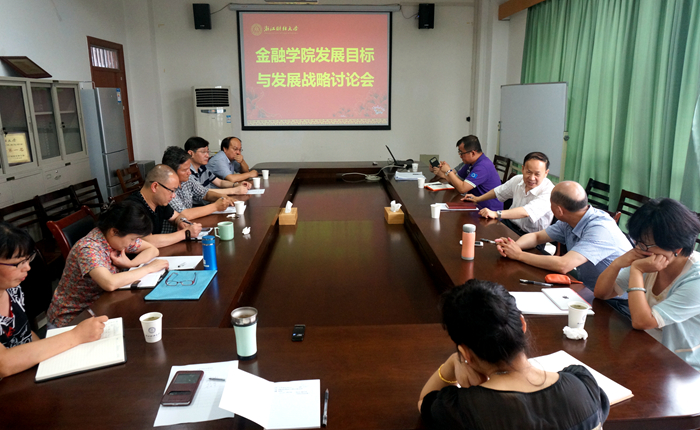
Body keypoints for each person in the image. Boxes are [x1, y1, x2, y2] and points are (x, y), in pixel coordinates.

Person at [419, 279, 609, 429]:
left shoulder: (462, 410)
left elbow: (423, 402)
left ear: (466, 354)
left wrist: (453, 363)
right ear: (522, 324)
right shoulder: (583, 384)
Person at [594, 198, 700, 371]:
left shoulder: (696, 279)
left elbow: (642, 321)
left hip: (681, 367)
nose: (638, 249)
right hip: (646, 348)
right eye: (637, 242)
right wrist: (617, 264)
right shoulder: (650, 257)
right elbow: (602, 293)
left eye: (645, 245)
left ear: (676, 248)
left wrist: (636, 270)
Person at [494, 181, 632, 309]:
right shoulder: (570, 219)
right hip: (590, 289)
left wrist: (519, 255)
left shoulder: (600, 228)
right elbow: (537, 237)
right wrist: (513, 246)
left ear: (559, 210)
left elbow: (564, 265)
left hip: (616, 300)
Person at [0, 222, 108, 377]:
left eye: (27, 259)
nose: (27, 268)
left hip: (25, 371)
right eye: (18, 263)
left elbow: (25, 333)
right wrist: (76, 336)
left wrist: (47, 363)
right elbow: (4, 364)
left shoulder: (12, 289)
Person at [46, 201, 168, 327]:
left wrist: (130, 263)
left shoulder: (115, 238)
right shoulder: (89, 248)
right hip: (71, 321)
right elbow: (109, 283)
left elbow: (152, 249)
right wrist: (148, 269)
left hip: (99, 308)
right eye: (132, 239)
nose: (133, 243)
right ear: (114, 231)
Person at [463, 151, 554, 236]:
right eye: (528, 172)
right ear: (523, 169)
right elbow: (498, 191)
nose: (532, 178)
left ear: (546, 173)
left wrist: (496, 214)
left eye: (537, 174)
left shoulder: (549, 191)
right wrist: (478, 198)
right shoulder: (518, 179)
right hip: (510, 226)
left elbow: (526, 212)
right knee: (479, 231)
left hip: (532, 237)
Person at [160, 146, 248, 233]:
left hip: (189, 229)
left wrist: (224, 198)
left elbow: (205, 193)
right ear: (171, 172)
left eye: (189, 168)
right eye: (185, 170)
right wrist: (215, 206)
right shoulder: (165, 188)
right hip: (171, 235)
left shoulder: (187, 179)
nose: (189, 172)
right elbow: (183, 214)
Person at [127, 164, 203, 247]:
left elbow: (177, 216)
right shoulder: (132, 207)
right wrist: (185, 233)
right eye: (172, 191)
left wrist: (181, 222)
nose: (173, 195)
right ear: (155, 186)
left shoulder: (159, 202)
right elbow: (146, 241)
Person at [430, 135, 502, 211]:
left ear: (473, 153)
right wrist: (444, 171)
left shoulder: (482, 166)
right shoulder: (470, 163)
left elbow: (462, 189)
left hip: (489, 210)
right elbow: (455, 181)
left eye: (462, 153)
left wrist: (449, 171)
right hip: (474, 204)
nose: (460, 156)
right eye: (459, 152)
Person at [185, 136, 253, 203]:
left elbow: (220, 182)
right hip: (201, 206)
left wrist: (236, 185)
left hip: (211, 202)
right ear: (191, 153)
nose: (207, 155)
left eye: (207, 152)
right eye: (203, 152)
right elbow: (205, 192)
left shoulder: (202, 167)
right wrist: (235, 190)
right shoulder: (187, 173)